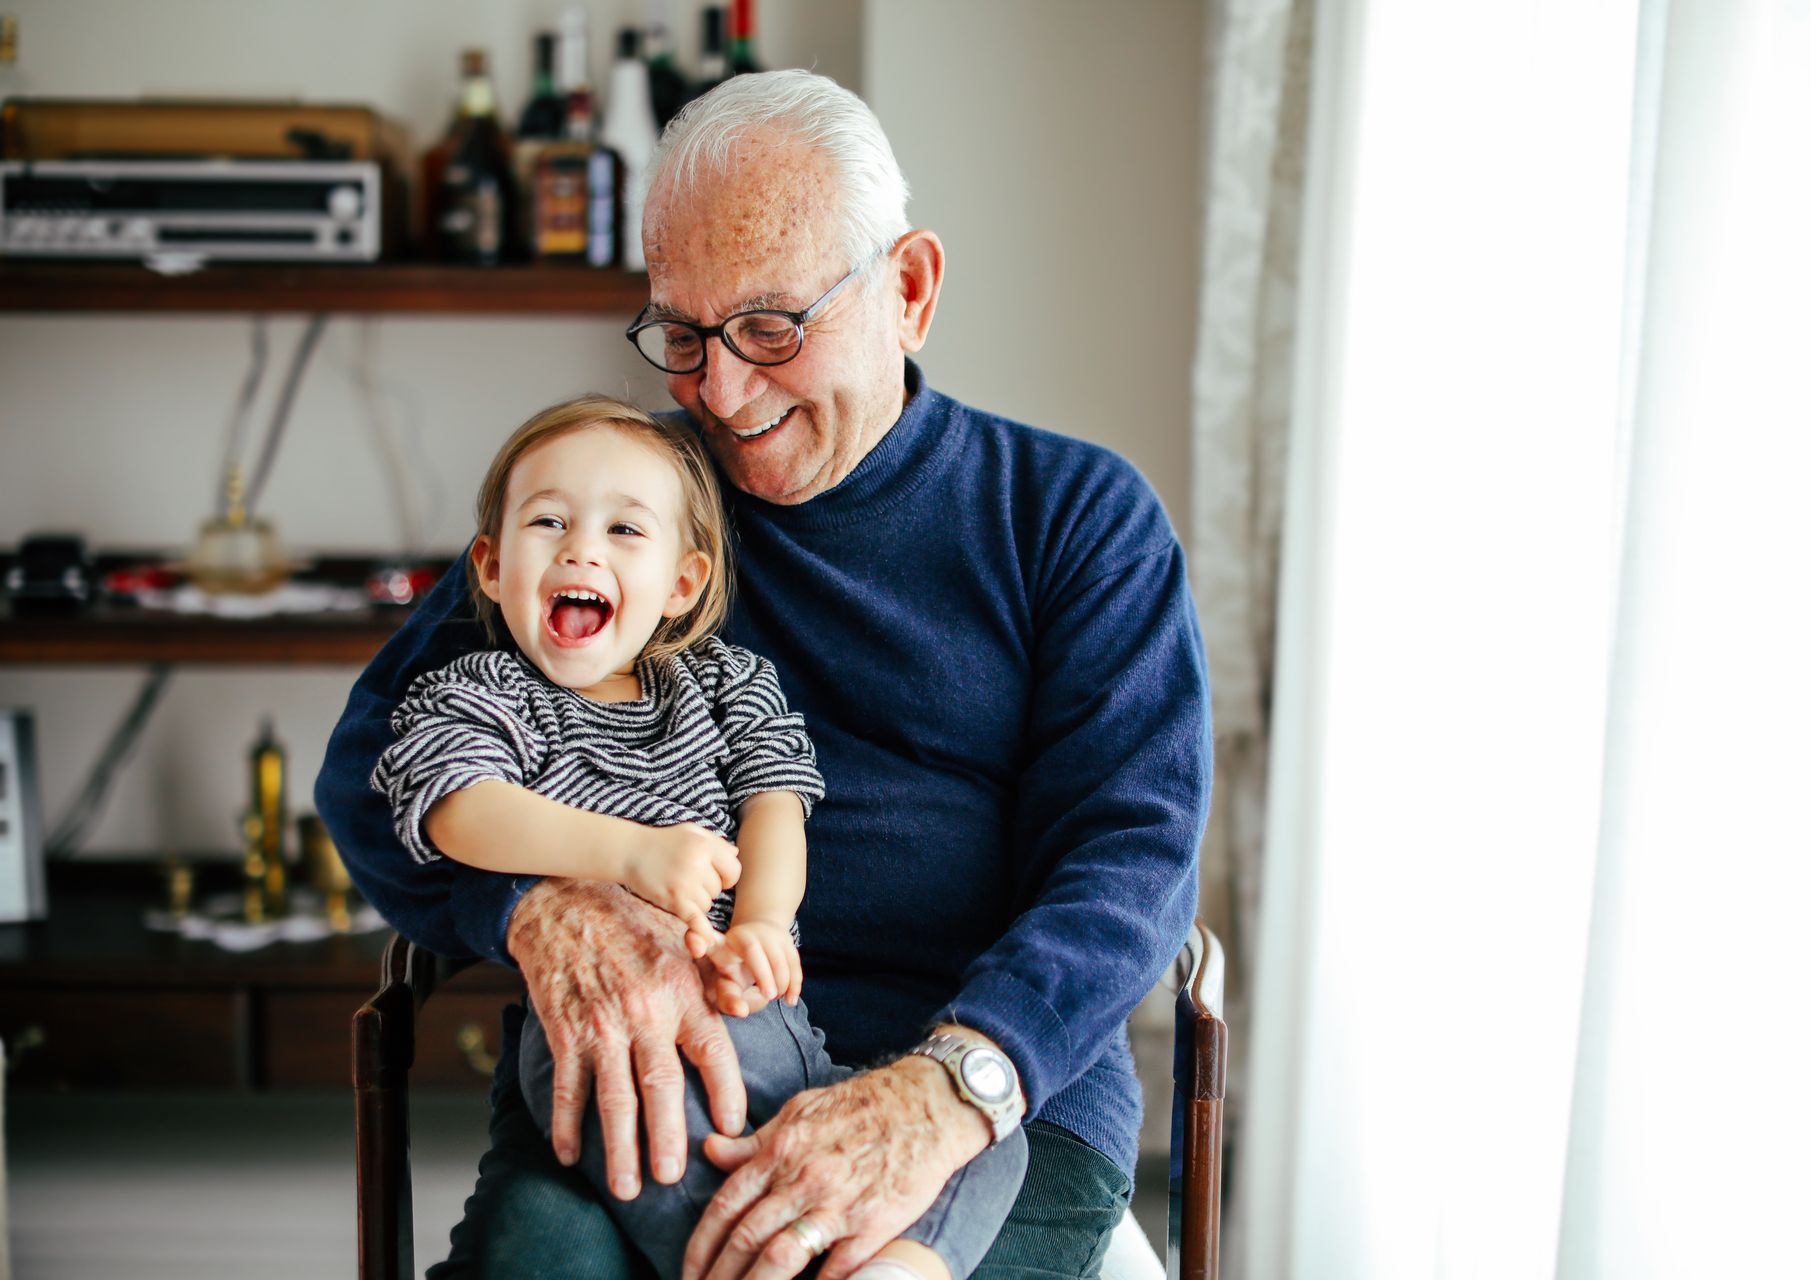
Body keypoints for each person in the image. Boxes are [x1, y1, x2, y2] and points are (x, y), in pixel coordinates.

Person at [317, 68, 1210, 1280]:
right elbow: (378, 764)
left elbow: (1132, 856)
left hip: (982, 1090)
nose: (721, 396)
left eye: (771, 328)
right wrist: (537, 903)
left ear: (908, 290)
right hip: (661, 1064)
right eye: (681, 334)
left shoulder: (1073, 517)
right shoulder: (626, 510)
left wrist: (944, 1092)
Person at [368, 395, 1025, 1280]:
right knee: (652, 1141)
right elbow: (458, 807)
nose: (581, 548)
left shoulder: (724, 683)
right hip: (607, 1034)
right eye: (549, 521)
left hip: (773, 1028)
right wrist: (629, 854)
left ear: (682, 582)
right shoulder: (485, 692)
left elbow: (777, 805)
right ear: (489, 566)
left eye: (624, 531)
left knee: (988, 1138)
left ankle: (900, 1267)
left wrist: (761, 921)